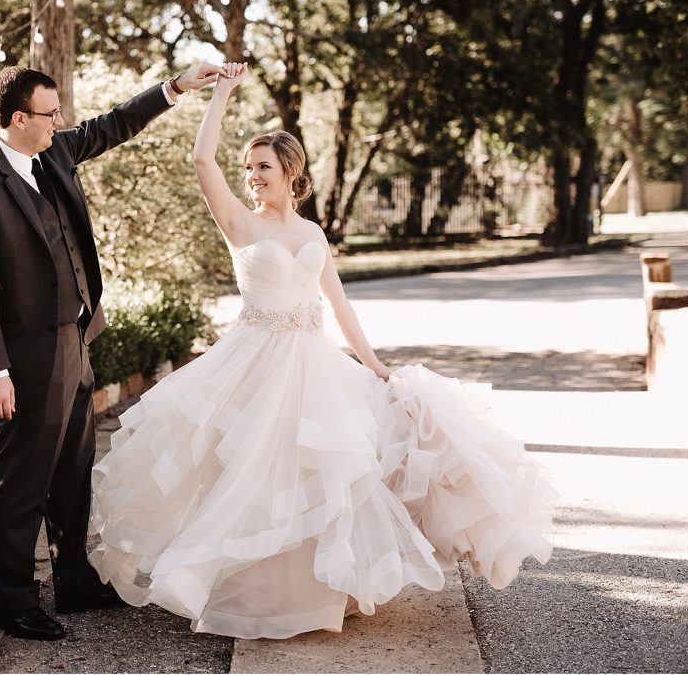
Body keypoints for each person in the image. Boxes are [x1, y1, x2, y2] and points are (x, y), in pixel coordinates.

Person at [89, 62, 557, 640]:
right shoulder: (239, 223)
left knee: (332, 472)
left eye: (263, 166)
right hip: (257, 362)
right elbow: (201, 161)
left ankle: (322, 590)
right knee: (261, 474)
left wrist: (374, 364)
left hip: (315, 365)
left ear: (289, 170)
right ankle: (257, 590)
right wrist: (222, 95)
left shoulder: (312, 235)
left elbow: (340, 307)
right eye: (249, 167)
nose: (253, 176)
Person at [0, 62, 224, 641]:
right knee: (20, 478)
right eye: (50, 114)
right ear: (18, 118)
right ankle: (15, 600)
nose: (61, 122)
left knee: (74, 471)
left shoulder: (55, 152)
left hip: (75, 342)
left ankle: (73, 578)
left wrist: (174, 89)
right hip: (25, 357)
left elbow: (116, 123)